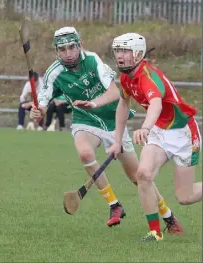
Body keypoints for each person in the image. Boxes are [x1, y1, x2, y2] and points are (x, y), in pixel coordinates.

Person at [30, 26, 182, 232]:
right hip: (85, 120)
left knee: (138, 177)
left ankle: (168, 216)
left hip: (113, 122)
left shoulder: (92, 60)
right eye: (62, 49)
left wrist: (93, 102)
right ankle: (114, 205)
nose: (68, 53)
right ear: (57, 51)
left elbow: (114, 93)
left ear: (80, 45)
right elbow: (43, 102)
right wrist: (38, 111)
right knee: (84, 153)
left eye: (72, 47)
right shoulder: (53, 73)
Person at [108, 32, 202, 241]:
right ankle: (155, 232)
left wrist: (145, 127)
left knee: (185, 197)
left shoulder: (147, 77)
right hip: (160, 130)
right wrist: (116, 141)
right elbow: (123, 106)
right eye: (117, 51)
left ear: (138, 53)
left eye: (125, 51)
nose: (120, 56)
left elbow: (156, 105)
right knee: (143, 175)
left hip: (183, 133)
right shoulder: (125, 77)